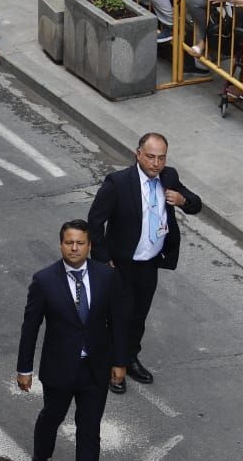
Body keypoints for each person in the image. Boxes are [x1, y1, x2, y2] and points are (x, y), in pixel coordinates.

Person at [16, 219, 129, 461]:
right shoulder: (44, 280)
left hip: (95, 368)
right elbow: (31, 328)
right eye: (69, 242)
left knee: (90, 429)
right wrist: (24, 368)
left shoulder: (106, 276)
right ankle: (41, 457)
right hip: (59, 368)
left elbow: (118, 322)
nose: (75, 248)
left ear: (90, 246)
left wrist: (120, 362)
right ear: (61, 245)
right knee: (52, 417)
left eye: (80, 243)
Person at [86, 133, 202, 393]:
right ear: (138, 154)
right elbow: (94, 222)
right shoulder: (117, 183)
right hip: (121, 265)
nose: (156, 163)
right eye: (150, 157)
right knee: (119, 316)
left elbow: (196, 205)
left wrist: (183, 201)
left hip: (150, 263)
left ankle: (129, 358)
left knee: (139, 315)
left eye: (161, 158)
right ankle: (114, 366)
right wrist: (104, 260)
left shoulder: (169, 177)